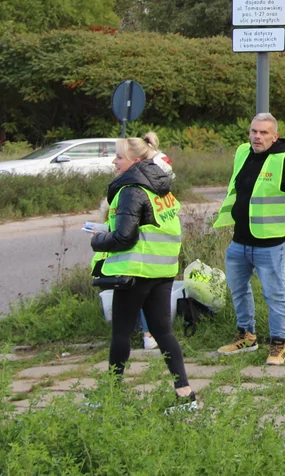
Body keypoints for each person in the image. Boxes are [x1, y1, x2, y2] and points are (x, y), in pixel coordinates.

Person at [90, 133, 194, 409]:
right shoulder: (163, 189)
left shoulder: (131, 190)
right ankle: (186, 396)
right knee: (163, 333)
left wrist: (98, 239)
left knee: (121, 335)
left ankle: (111, 397)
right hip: (163, 270)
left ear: (135, 161)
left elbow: (124, 237)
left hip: (135, 271)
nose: (114, 161)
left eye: (119, 157)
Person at [214, 113, 285, 365]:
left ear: (275, 136)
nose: (257, 137)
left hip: (270, 244)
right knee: (238, 290)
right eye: (254, 131)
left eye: (263, 133)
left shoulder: (284, 162)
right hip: (239, 241)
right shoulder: (242, 153)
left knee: (275, 295)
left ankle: (278, 344)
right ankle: (247, 337)